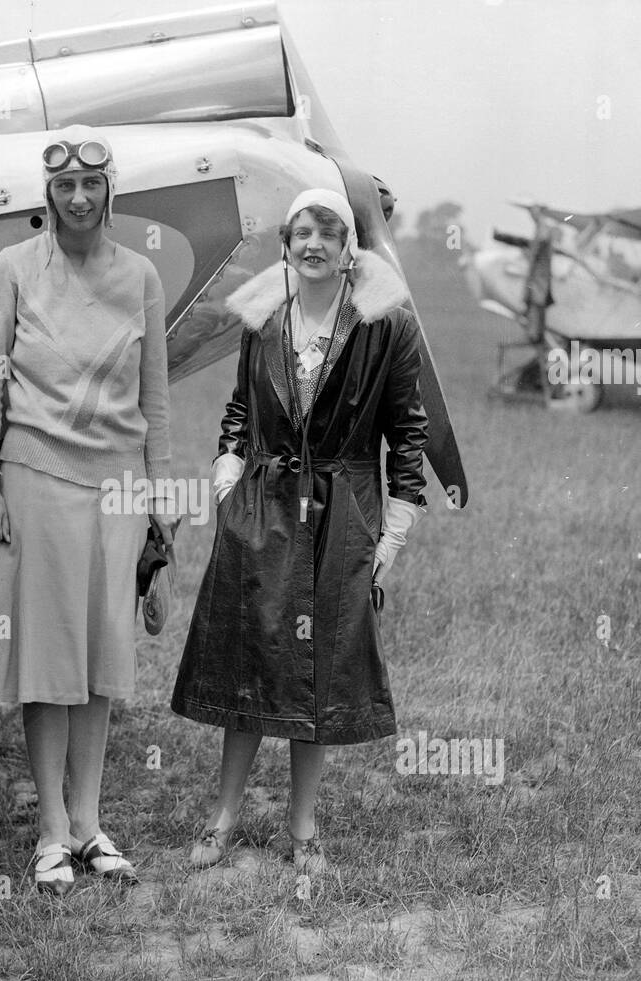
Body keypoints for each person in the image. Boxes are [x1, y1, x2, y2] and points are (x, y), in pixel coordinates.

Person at [171, 188, 429, 874]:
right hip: (262, 507)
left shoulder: (387, 325)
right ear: (286, 245)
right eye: (302, 231)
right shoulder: (263, 320)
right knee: (250, 655)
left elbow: (407, 436)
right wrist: (229, 482)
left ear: (350, 249)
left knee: (316, 673)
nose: (314, 242)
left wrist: (392, 532)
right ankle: (224, 814)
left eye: (329, 232)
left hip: (343, 511)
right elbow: (238, 411)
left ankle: (303, 824)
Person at [0, 126, 178, 894]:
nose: (79, 199)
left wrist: (160, 491)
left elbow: (155, 395)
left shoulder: (143, 277)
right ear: (47, 194)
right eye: (64, 187)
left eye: (92, 186)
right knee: (47, 658)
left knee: (101, 656)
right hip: (35, 472)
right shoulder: (13, 268)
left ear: (110, 191)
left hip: (119, 482)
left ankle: (90, 823)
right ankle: (51, 829)